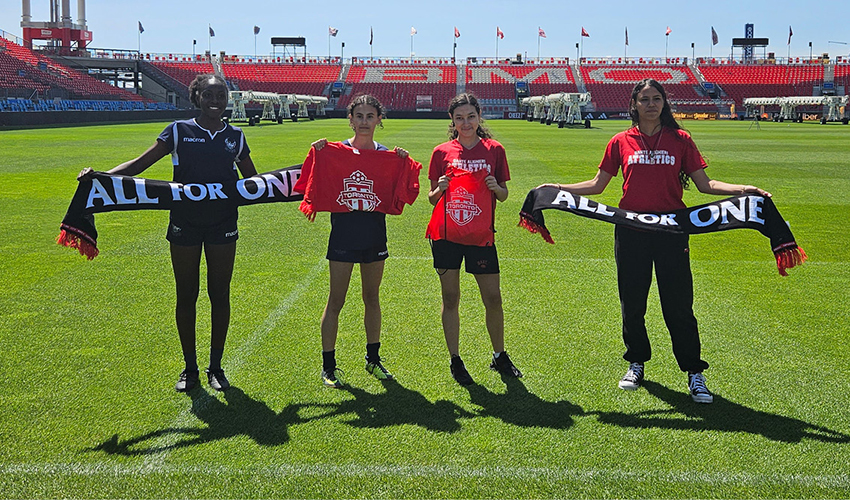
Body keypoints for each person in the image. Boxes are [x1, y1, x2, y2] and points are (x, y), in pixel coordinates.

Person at [542, 78, 771, 403]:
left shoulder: (681, 139)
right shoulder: (621, 141)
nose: (651, 104)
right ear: (634, 105)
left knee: (679, 305)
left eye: (656, 98)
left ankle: (694, 372)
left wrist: (743, 189)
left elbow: (705, 184)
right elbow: (597, 185)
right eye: (644, 99)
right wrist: (558, 189)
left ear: (664, 103)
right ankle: (636, 362)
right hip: (631, 232)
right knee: (632, 303)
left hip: (671, 232)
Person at [78, 74, 258, 392]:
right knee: (186, 294)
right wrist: (101, 177)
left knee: (220, 294)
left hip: (223, 224)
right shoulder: (178, 131)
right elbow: (140, 165)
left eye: (221, 95)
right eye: (209, 94)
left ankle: (216, 367)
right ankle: (189, 368)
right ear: (196, 97)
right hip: (184, 223)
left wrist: (301, 178)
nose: (216, 100)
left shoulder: (236, 136)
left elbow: (254, 182)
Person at [308, 94, 409, 388]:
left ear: (379, 120)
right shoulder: (334, 151)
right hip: (342, 234)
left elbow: (403, 190)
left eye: (370, 116)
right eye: (359, 116)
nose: (364, 122)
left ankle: (373, 360)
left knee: (372, 298)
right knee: (336, 300)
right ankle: (329, 366)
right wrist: (318, 153)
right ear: (350, 120)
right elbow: (312, 178)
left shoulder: (386, 155)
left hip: (374, 234)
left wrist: (400, 163)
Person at [426, 93, 522, 386]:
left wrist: (496, 187)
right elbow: (431, 199)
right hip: (447, 236)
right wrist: (439, 188)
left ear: (479, 117)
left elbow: (504, 195)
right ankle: (455, 359)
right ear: (452, 121)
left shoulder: (495, 150)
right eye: (459, 118)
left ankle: (499, 355)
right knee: (451, 298)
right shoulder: (441, 152)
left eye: (470, 116)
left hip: (481, 236)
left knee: (493, 298)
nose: (465, 123)